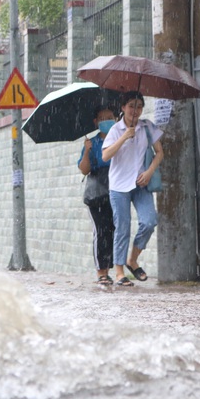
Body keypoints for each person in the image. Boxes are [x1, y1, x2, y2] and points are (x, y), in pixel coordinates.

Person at [102, 91, 164, 287]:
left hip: (140, 183)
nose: (135, 110)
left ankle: (133, 259)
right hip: (119, 186)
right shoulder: (115, 130)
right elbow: (105, 156)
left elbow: (160, 152)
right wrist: (124, 137)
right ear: (123, 108)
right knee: (122, 227)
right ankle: (119, 271)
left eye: (138, 106)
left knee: (149, 221)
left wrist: (149, 172)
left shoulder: (147, 127)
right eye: (131, 105)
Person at [78, 106, 117, 287]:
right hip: (96, 194)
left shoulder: (120, 140)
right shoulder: (92, 143)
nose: (106, 120)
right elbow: (84, 169)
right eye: (102, 118)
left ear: (116, 119)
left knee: (115, 231)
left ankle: (115, 270)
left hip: (117, 191)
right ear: (96, 122)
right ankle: (101, 272)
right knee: (101, 231)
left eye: (109, 117)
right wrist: (87, 151)